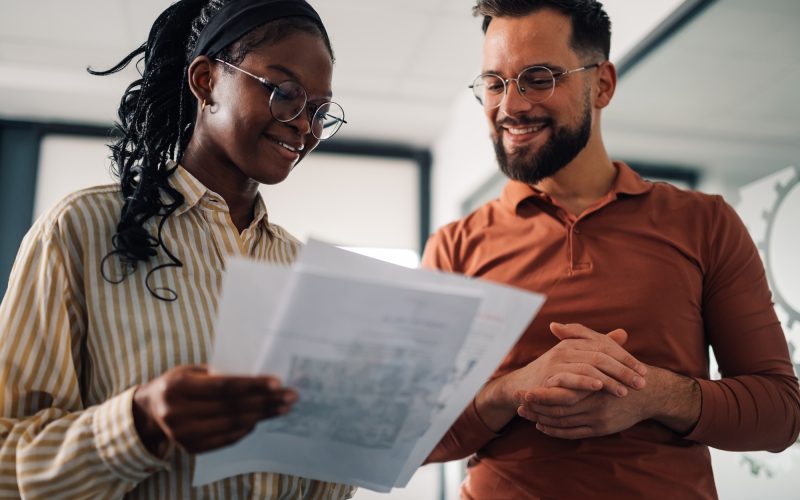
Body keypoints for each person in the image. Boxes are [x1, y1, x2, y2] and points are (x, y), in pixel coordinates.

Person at [423, 1, 800, 498]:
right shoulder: (455, 247)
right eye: (494, 83)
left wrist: (656, 394)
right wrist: (508, 391)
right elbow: (415, 436)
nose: (509, 106)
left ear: (601, 84)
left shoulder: (705, 223)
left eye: (538, 78)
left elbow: (781, 414)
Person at [0, 0, 354, 498]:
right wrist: (139, 422)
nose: (305, 125)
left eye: (319, 110)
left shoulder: (305, 272)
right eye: (285, 93)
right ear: (206, 81)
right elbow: (5, 464)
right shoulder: (80, 229)